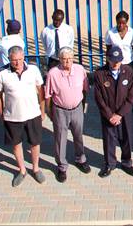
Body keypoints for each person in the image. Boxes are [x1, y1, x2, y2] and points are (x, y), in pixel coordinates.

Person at [0, 46, 46, 186]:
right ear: (9, 59)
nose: (17, 63)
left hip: (33, 114)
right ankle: (22, 170)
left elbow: (41, 89)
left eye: (20, 59)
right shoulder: (2, 74)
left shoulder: (33, 70)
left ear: (24, 57)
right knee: (16, 144)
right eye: (14, 60)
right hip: (13, 116)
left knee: (35, 142)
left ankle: (35, 168)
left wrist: (43, 109)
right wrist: (0, 112)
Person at [44, 46, 91, 183]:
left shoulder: (80, 70)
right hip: (60, 110)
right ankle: (62, 166)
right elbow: (48, 96)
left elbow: (85, 90)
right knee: (60, 139)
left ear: (73, 59)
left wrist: (82, 107)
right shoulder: (53, 73)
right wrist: (49, 112)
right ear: (59, 59)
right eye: (64, 59)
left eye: (70, 59)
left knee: (78, 135)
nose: (67, 62)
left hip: (77, 108)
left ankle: (80, 159)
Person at [93, 45, 133, 177]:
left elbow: (131, 96)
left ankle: (126, 163)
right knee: (108, 139)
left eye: (118, 61)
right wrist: (109, 115)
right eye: (113, 60)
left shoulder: (128, 71)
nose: (115, 63)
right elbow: (99, 98)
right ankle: (110, 164)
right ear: (108, 59)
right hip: (108, 115)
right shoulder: (100, 74)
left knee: (126, 138)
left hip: (124, 113)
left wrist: (119, 114)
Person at [104, 11, 133, 82]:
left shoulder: (132, 32)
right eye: (119, 23)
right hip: (116, 63)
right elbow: (108, 50)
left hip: (129, 62)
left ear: (126, 22)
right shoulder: (110, 33)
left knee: (129, 84)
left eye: (123, 23)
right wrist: (107, 64)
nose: (121, 25)